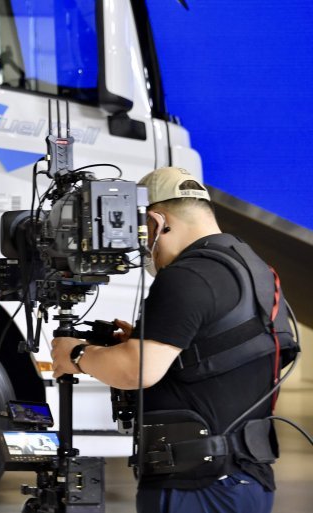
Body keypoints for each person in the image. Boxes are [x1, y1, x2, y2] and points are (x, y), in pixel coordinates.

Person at [51, 166, 297, 513]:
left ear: (156, 222)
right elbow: (222, 350)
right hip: (245, 477)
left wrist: (75, 353)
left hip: (196, 485)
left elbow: (136, 371)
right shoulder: (252, 268)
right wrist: (144, 339)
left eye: (140, 233)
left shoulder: (186, 276)